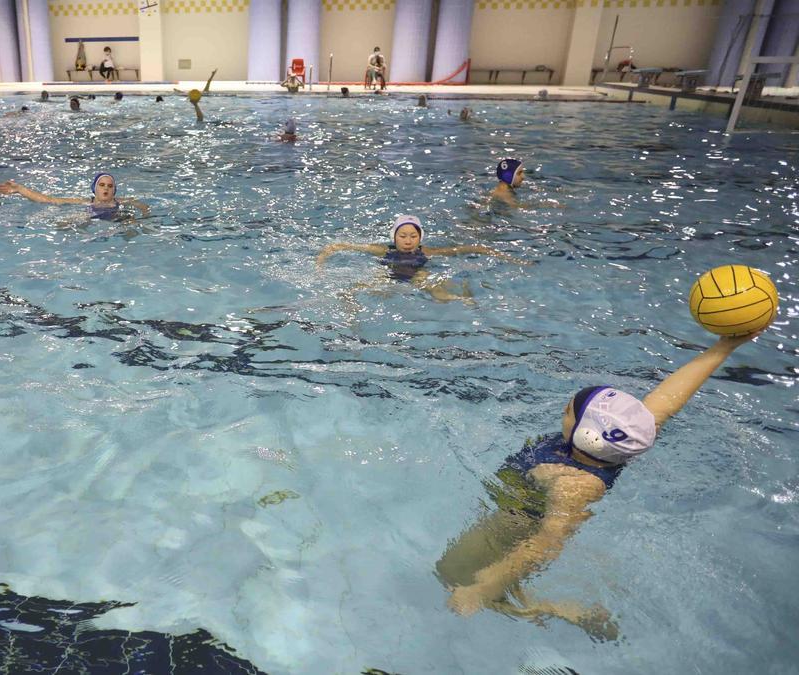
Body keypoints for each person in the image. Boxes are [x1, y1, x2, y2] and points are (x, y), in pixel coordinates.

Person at [436, 329, 767, 639]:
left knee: (452, 575)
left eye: (569, 412)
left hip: (518, 521)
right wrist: (724, 346)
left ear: (587, 434)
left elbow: (547, 543)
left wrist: (481, 590)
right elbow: (668, 399)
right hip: (518, 504)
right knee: (477, 572)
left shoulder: (573, 485)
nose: (563, 412)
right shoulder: (620, 442)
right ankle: (514, 592)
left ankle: (553, 609)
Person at [315, 215, 527, 302]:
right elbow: (340, 245)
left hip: (418, 274)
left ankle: (465, 298)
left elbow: (468, 248)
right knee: (352, 292)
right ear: (394, 237)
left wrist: (507, 257)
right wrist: (321, 262)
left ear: (420, 238)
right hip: (388, 274)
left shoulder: (428, 252)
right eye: (403, 236)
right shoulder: (382, 250)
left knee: (440, 297)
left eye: (413, 236)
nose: (408, 241)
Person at [0, 173, 150, 221]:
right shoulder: (84, 202)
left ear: (114, 191)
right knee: (67, 222)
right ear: (94, 189)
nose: (106, 188)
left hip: (116, 218)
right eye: (102, 185)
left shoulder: (122, 201)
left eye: (110, 186)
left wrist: (145, 215)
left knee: (131, 222)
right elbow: (49, 200)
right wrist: (20, 189)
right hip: (91, 217)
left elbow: (144, 206)